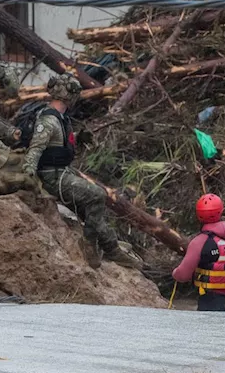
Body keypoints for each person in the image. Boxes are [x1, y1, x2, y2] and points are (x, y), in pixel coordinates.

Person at [19, 73, 141, 269]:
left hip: (63, 171)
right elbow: (36, 149)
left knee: (90, 206)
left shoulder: (59, 118)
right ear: (69, 94)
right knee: (96, 195)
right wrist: (29, 175)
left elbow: (57, 141)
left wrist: (78, 137)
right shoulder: (48, 121)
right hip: (52, 176)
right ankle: (90, 245)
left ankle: (110, 246)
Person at [173, 194, 225, 311]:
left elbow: (182, 276)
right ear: (221, 211)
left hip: (211, 301)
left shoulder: (199, 241)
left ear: (198, 215)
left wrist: (175, 273)